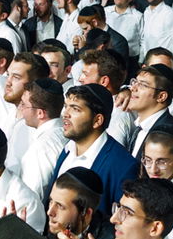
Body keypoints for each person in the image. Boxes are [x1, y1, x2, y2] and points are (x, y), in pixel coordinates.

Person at [50, 83, 139, 214]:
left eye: (75, 109)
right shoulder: (67, 149)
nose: (65, 114)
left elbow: (122, 220)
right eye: (65, 107)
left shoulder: (123, 165)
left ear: (97, 120)